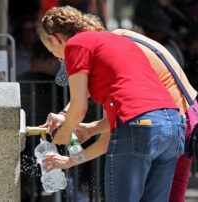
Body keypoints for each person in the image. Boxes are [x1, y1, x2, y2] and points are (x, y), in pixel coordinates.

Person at [38, 6, 184, 202]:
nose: (58, 58)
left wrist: (64, 133)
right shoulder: (114, 43)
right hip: (173, 127)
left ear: (55, 38)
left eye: (52, 50)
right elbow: (109, 138)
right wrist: (69, 160)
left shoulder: (75, 45)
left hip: (139, 126)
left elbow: (79, 108)